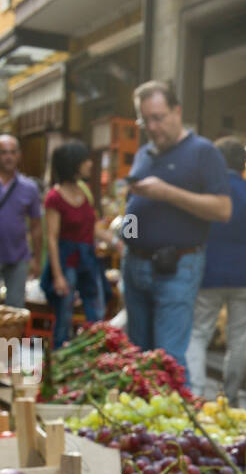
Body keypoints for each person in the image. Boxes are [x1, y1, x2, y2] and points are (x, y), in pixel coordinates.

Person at [122, 81, 232, 376]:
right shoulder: (144, 153)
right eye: (146, 121)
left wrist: (167, 193)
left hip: (176, 266)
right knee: (137, 358)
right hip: (134, 264)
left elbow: (223, 209)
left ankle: (176, 417)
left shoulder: (203, 152)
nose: (153, 127)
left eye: (159, 118)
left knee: (166, 358)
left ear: (177, 111)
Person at [186, 137, 246, 405]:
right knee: (239, 338)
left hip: (208, 273)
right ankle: (231, 395)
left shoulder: (205, 195)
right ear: (244, 165)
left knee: (199, 332)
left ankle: (196, 393)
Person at [42, 140, 113, 348]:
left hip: (88, 260)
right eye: (85, 160)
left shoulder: (84, 192)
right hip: (67, 261)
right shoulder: (54, 197)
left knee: (97, 311)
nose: (90, 164)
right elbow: (52, 238)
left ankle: (91, 355)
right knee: (64, 316)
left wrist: (116, 240)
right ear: (74, 164)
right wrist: (57, 275)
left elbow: (91, 228)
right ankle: (59, 361)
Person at [0, 135, 42, 310]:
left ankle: (10, 340)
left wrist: (37, 259)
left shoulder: (29, 187)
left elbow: (36, 226)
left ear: (19, 155)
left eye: (12, 152)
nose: (8, 156)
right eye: (3, 152)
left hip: (17, 257)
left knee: (15, 310)